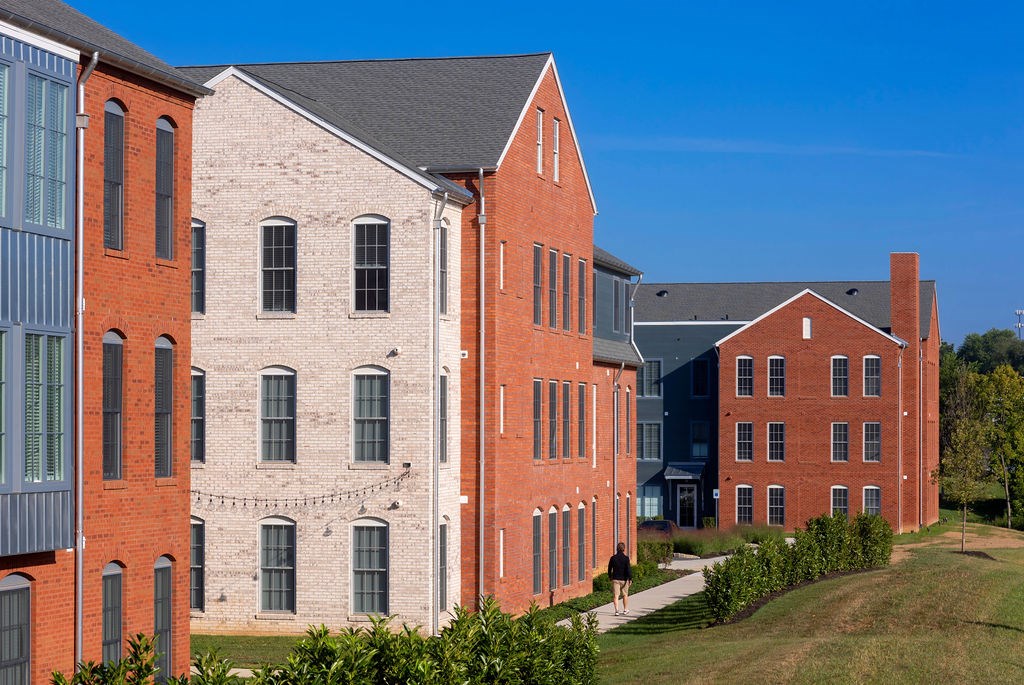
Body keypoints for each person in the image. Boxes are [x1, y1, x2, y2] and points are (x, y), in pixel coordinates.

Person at [607, 541, 632, 616]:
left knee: (616, 595)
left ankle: (617, 611)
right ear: (624, 549)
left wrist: (610, 576)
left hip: (615, 579)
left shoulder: (613, 558)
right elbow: (628, 569)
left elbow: (609, 568)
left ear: (617, 549)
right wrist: (630, 579)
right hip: (624, 579)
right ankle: (625, 610)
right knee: (625, 595)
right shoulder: (626, 558)